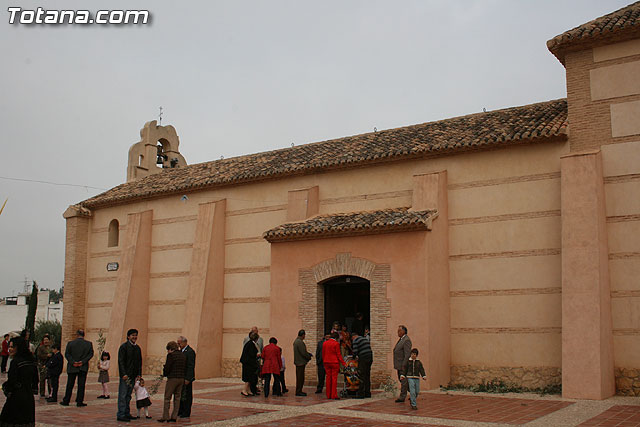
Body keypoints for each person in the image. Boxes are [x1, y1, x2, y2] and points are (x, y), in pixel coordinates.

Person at [0, 337, 38, 426]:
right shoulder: (31, 361)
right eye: (9, 347)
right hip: (28, 397)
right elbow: (35, 380)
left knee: (11, 421)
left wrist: (6, 388)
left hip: (16, 398)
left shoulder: (16, 362)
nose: (10, 349)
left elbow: (12, 381)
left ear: (19, 347)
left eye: (13, 347)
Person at [61, 329, 94, 407]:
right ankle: (79, 401)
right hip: (83, 367)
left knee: (70, 384)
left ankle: (66, 400)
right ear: (84, 335)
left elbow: (67, 354)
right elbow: (90, 354)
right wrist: (82, 362)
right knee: (81, 385)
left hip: (72, 367)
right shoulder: (89, 344)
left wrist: (73, 362)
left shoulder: (70, 343)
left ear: (77, 334)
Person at [117, 328, 142, 422]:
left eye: (136, 335)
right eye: (133, 335)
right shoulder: (124, 347)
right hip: (126, 376)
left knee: (128, 395)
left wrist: (139, 374)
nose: (134, 337)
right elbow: (121, 361)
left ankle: (126, 413)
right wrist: (123, 374)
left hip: (133, 376)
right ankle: (121, 414)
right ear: (128, 337)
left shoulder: (137, 348)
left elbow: (139, 362)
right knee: (123, 395)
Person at [160, 341, 185, 422]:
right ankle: (174, 416)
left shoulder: (171, 355)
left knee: (167, 398)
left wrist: (164, 373)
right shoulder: (182, 355)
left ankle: (165, 416)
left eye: (168, 350)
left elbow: (168, 367)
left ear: (170, 349)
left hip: (172, 378)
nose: (168, 351)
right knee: (177, 398)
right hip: (181, 378)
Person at [322, 331, 345, 400]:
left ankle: (328, 394)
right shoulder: (336, 344)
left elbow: (323, 353)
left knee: (328, 378)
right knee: (334, 379)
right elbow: (338, 355)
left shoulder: (325, 343)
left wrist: (324, 361)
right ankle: (334, 395)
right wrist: (343, 363)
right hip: (334, 362)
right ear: (336, 338)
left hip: (326, 362)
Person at [177, 336, 196, 419]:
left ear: (184, 342)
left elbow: (191, 366)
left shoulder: (190, 352)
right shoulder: (180, 351)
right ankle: (180, 410)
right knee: (181, 394)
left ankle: (186, 412)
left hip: (186, 377)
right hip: (180, 377)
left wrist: (188, 378)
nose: (178, 345)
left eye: (179, 343)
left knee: (187, 395)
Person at [393, 325, 412, 403]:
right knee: (403, 381)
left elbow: (407, 354)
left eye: (399, 331)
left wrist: (404, 364)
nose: (398, 333)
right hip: (398, 364)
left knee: (403, 381)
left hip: (402, 364)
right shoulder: (401, 340)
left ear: (404, 331)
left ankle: (402, 397)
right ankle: (413, 392)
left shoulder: (406, 340)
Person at [351, 330, 373, 398]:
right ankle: (367, 393)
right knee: (367, 375)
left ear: (353, 337)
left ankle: (360, 394)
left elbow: (355, 351)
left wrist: (353, 358)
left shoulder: (355, 340)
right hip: (370, 357)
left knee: (361, 375)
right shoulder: (364, 339)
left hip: (363, 358)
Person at [240, 331, 260, 397]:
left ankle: (248, 390)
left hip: (248, 363)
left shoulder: (249, 343)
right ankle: (244, 390)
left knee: (250, 378)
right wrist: (257, 355)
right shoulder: (251, 344)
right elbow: (251, 355)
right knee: (248, 378)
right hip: (248, 364)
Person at [292, 329, 312, 396]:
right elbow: (303, 352)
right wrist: (308, 356)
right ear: (303, 335)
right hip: (300, 362)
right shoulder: (299, 342)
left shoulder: (296, 341)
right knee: (300, 378)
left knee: (300, 377)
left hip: (298, 362)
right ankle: (299, 391)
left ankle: (299, 390)